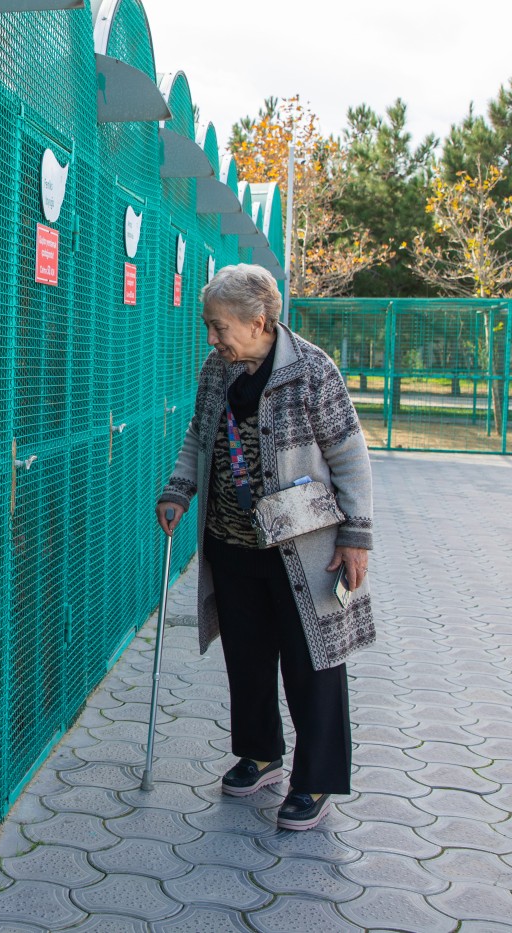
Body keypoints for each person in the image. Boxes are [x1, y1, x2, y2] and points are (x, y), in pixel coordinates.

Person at [156, 264, 374, 831]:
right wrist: (179, 488)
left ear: (258, 322)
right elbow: (199, 438)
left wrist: (356, 535)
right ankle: (260, 754)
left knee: (314, 662)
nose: (213, 338)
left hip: (302, 548)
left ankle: (317, 780)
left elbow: (350, 455)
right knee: (247, 657)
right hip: (232, 542)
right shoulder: (216, 371)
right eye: (209, 327)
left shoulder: (311, 371)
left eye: (219, 327)